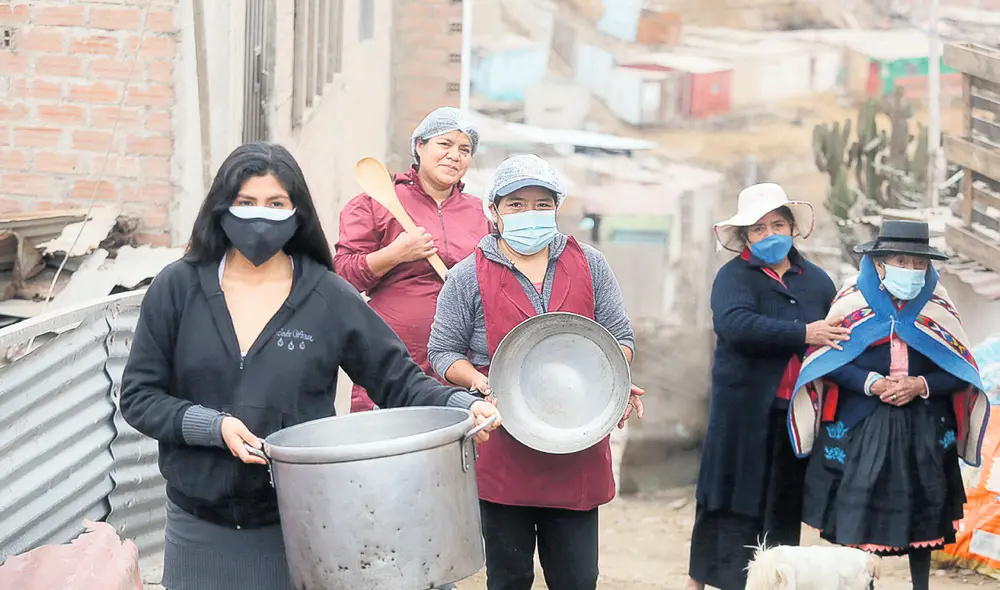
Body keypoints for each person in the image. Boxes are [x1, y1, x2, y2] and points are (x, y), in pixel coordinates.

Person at [118, 142, 501, 590]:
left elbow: (399, 382)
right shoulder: (177, 288)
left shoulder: (326, 296)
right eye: (246, 203)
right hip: (198, 527)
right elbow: (139, 397)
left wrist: (460, 404)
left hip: (304, 526)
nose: (260, 215)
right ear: (222, 206)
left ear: (297, 212)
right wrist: (212, 426)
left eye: (276, 203)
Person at [427, 154, 644, 590]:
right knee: (509, 578)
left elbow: (619, 337)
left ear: (557, 208)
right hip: (505, 441)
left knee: (577, 578)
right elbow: (442, 351)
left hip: (575, 443)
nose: (531, 214)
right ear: (494, 211)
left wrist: (610, 383)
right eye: (516, 205)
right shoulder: (468, 275)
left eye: (542, 204)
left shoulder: (590, 264)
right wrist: (480, 382)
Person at [788, 220, 990, 590]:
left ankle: (920, 585)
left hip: (924, 424)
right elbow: (829, 360)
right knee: (859, 509)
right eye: (901, 261)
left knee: (925, 502)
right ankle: (860, 583)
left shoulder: (939, 306)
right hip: (861, 423)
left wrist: (920, 384)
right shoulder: (852, 302)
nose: (911, 271)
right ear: (879, 264)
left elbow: (960, 369)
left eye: (918, 264)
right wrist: (873, 383)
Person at [687, 183, 849, 590]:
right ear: (745, 237)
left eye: (778, 224)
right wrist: (803, 333)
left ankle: (775, 581)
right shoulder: (733, 277)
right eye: (758, 229)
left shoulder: (816, 282)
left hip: (795, 413)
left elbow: (836, 333)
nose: (770, 234)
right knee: (727, 497)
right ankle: (703, 580)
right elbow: (735, 324)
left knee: (781, 501)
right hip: (741, 411)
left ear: (793, 229)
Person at [335, 106, 490, 413]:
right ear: (420, 146)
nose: (454, 155)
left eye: (464, 149)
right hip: (391, 355)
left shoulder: (481, 213)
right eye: (444, 144)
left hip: (460, 363)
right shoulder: (376, 203)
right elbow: (343, 276)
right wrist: (396, 253)